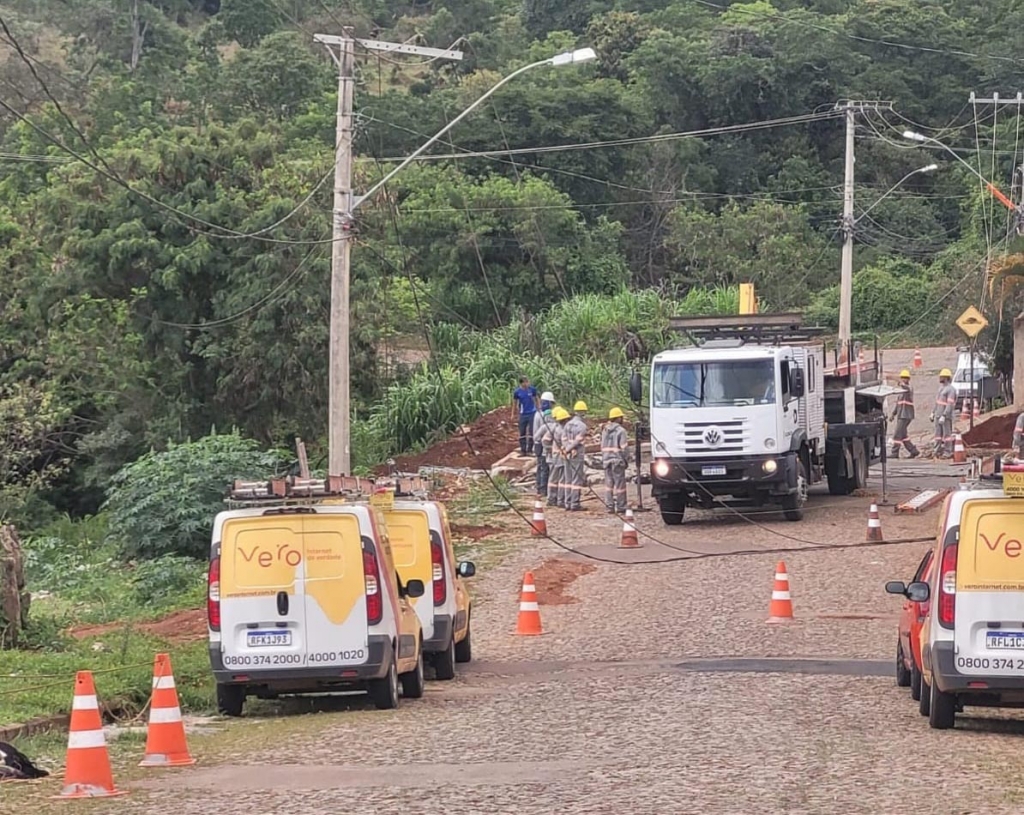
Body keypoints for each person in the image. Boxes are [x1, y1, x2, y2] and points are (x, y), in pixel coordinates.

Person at [601, 407, 630, 514]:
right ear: (618, 418)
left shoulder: (604, 430)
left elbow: (602, 446)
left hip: (606, 460)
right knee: (620, 486)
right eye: (621, 417)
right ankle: (621, 506)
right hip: (617, 461)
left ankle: (609, 507)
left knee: (608, 485)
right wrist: (626, 460)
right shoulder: (621, 431)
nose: (622, 419)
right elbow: (624, 448)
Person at [562, 401, 589, 511]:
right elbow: (578, 440)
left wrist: (567, 449)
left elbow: (563, 439)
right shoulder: (582, 426)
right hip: (577, 455)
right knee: (576, 480)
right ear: (583, 412)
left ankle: (567, 503)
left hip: (567, 455)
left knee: (568, 479)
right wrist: (571, 449)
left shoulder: (567, 424)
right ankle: (575, 504)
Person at [890, 369, 920, 459]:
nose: (904, 379)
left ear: (908, 379)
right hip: (901, 415)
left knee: (897, 434)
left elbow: (905, 387)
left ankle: (895, 452)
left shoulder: (909, 388)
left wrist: (899, 382)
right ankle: (914, 451)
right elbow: (898, 404)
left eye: (905, 378)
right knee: (903, 435)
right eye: (902, 378)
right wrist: (893, 414)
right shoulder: (900, 393)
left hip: (906, 415)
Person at [533, 391, 555, 498]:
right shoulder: (546, 416)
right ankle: (543, 489)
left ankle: (539, 487)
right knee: (544, 467)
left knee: (540, 467)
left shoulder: (537, 414)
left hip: (537, 444)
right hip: (543, 444)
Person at [931, 368, 957, 459]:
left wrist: (944, 415)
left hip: (946, 417)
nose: (940, 378)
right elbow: (937, 402)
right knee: (937, 435)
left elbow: (950, 404)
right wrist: (933, 413)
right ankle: (936, 451)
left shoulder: (951, 390)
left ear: (946, 377)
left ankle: (948, 452)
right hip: (938, 415)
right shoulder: (941, 388)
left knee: (947, 435)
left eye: (942, 376)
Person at [547, 407, 570, 508]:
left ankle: (552, 498)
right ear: (564, 420)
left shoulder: (556, 428)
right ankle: (559, 499)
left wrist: (549, 450)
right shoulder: (561, 430)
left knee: (553, 478)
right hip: (559, 457)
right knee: (561, 479)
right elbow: (565, 444)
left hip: (555, 456)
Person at [511, 376, 538, 456]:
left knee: (531, 432)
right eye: (525, 382)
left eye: (527, 382)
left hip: (532, 413)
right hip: (523, 414)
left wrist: (538, 408)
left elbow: (536, 398)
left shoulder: (532, 389)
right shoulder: (517, 392)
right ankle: (523, 450)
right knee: (522, 432)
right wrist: (513, 413)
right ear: (521, 383)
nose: (527, 384)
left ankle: (529, 450)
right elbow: (515, 403)